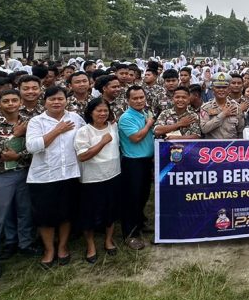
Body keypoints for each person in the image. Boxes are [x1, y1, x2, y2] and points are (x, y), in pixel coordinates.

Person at [26, 86, 85, 268]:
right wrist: (57, 130)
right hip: (44, 177)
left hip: (69, 174)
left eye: (60, 99)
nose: (57, 102)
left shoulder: (75, 118)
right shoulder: (37, 121)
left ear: (66, 100)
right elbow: (32, 147)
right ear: (45, 102)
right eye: (52, 99)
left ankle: (62, 246)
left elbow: (85, 137)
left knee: (66, 213)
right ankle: (49, 249)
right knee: (45, 216)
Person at [0, 89, 33, 280]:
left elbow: (34, 146)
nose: (11, 104)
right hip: (2, 174)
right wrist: (14, 135)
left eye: (14, 100)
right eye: (6, 101)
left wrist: (19, 155)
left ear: (20, 102)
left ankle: (24, 244)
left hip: (25, 171)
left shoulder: (29, 120)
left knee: (24, 211)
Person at [74, 97, 120, 263]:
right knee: (90, 213)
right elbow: (83, 155)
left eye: (105, 111)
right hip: (92, 179)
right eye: (98, 111)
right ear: (90, 112)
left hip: (113, 175)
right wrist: (102, 142)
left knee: (111, 211)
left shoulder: (113, 126)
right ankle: (91, 245)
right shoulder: (83, 131)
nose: (102, 113)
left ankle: (108, 240)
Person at [118, 85, 155, 249]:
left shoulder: (145, 113)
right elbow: (136, 138)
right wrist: (148, 125)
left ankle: (140, 223)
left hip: (146, 161)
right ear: (128, 100)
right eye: (135, 98)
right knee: (132, 199)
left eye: (142, 97)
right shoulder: (126, 118)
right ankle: (130, 234)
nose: (139, 101)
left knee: (143, 195)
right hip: (133, 162)